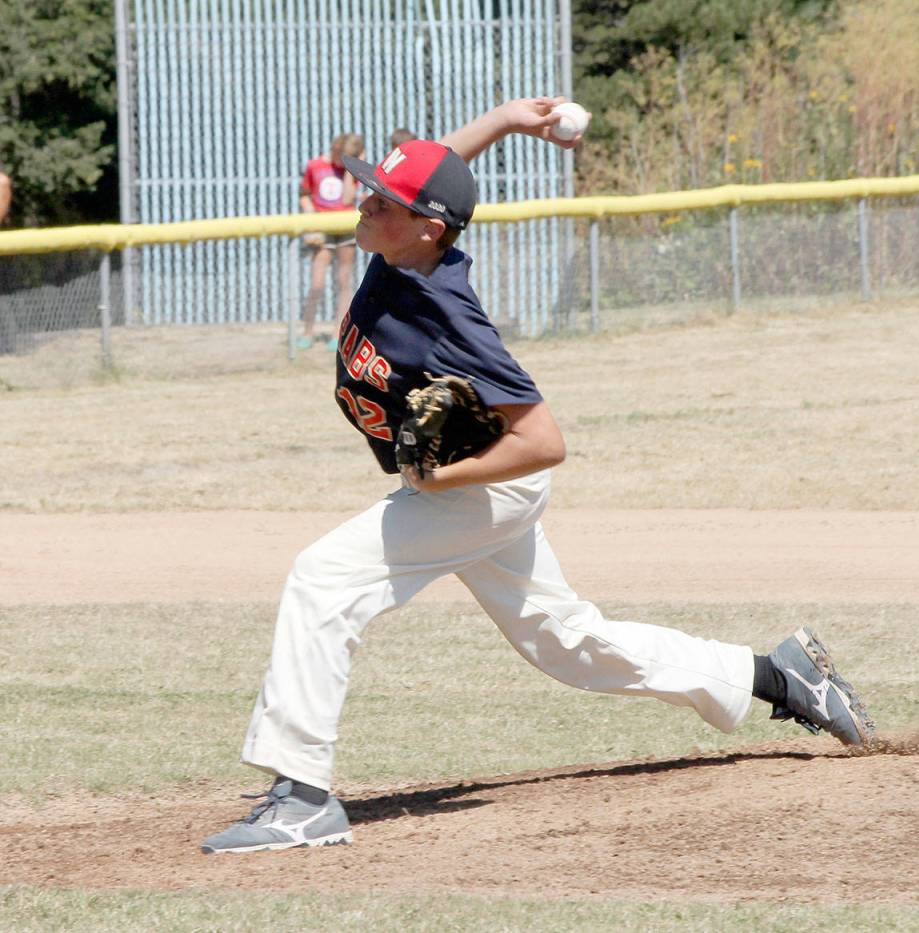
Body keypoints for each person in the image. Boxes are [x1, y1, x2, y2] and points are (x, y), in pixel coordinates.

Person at [201, 97, 875, 855]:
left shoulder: (446, 310)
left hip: (482, 489)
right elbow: (434, 172)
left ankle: (301, 797)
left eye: (378, 199)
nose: (363, 201)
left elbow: (546, 440)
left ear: (425, 227)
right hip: (473, 488)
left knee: (323, 578)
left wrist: (446, 482)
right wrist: (505, 119)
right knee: (569, 643)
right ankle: (778, 675)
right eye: (368, 189)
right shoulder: (403, 246)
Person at [297, 133, 364, 351]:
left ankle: (338, 332)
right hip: (322, 227)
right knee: (317, 282)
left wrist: (350, 169)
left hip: (345, 226)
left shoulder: (350, 169)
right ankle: (307, 330)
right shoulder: (315, 165)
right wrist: (310, 215)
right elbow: (304, 194)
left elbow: (346, 199)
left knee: (343, 280)